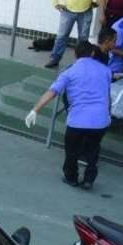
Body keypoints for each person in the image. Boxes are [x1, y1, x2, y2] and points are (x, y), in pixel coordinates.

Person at [26, 41, 112, 189]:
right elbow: (107, 95)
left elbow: (52, 92)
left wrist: (35, 110)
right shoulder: (106, 71)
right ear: (92, 53)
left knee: (72, 151)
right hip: (100, 120)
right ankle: (88, 180)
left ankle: (71, 177)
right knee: (93, 150)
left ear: (75, 54)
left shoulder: (69, 72)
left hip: (78, 121)